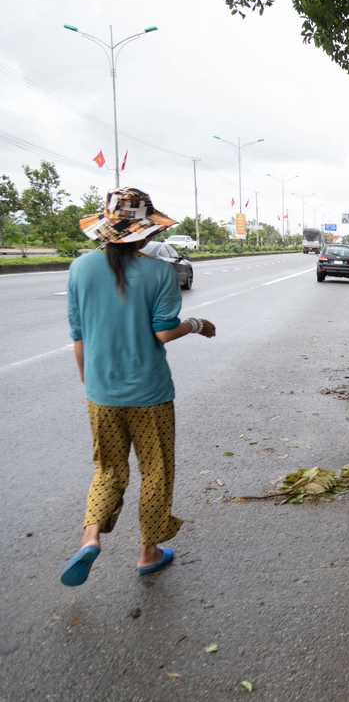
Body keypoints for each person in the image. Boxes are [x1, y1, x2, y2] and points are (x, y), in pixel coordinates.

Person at [61, 188, 216, 587]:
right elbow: (163, 333)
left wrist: (88, 379)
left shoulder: (79, 270)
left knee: (108, 469)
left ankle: (90, 536)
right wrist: (198, 325)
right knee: (156, 470)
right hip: (150, 395)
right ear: (144, 233)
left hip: (102, 392)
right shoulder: (160, 272)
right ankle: (149, 553)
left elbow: (78, 335)